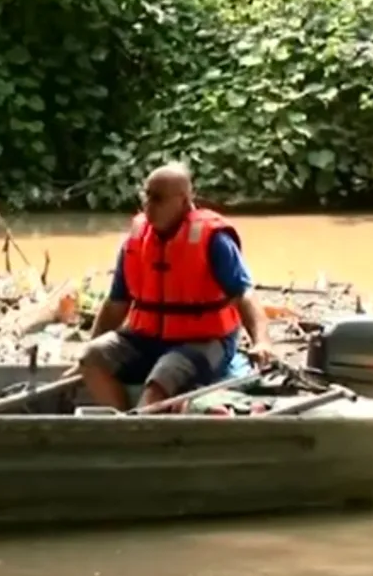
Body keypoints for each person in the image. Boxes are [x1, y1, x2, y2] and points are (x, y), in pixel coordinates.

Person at [77, 163, 274, 411]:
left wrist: (262, 341)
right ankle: (123, 419)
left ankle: (140, 425)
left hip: (204, 340)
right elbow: (117, 303)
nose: (148, 206)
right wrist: (89, 346)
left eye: (157, 198)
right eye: (145, 196)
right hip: (146, 337)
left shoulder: (214, 240)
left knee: (164, 375)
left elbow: (245, 294)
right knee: (91, 357)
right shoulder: (135, 241)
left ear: (183, 200)